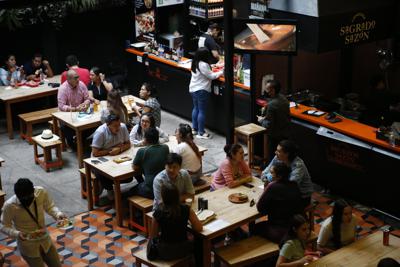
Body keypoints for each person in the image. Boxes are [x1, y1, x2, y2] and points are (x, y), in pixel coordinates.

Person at [0, 178, 66, 267]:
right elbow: (3, 226)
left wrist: (58, 214)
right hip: (28, 246)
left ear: (33, 191)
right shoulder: (9, 206)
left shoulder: (40, 192)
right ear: (17, 195)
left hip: (45, 240)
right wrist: (17, 234)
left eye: (29, 197)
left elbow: (50, 207)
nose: (27, 201)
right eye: (24, 199)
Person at [148, 183, 202, 261]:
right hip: (184, 250)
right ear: (178, 195)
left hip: (165, 252)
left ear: (163, 197)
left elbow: (153, 236)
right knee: (198, 240)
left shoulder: (158, 213)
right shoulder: (186, 209)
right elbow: (199, 228)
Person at [251, 162, 302, 243]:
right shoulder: (294, 184)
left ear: (279, 176)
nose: (270, 175)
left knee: (253, 226)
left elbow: (260, 208)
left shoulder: (272, 186)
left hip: (279, 230)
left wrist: (264, 192)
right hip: (294, 225)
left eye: (272, 173)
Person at [261, 140, 313, 209]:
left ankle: (299, 219)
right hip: (284, 192)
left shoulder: (298, 165)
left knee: (272, 205)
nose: (275, 152)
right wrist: (269, 177)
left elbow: (289, 187)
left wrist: (270, 178)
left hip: (302, 197)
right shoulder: (277, 158)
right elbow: (264, 173)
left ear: (287, 154)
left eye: (279, 151)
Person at [91, 114, 131, 200]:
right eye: (115, 126)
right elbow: (95, 153)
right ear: (108, 125)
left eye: (119, 125)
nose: (118, 128)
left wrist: (120, 149)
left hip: (117, 156)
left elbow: (128, 144)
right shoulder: (100, 132)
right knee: (102, 173)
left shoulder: (123, 127)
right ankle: (109, 189)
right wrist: (110, 151)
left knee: (129, 176)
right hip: (100, 157)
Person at [189, 47, 224, 139]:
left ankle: (194, 129)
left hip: (193, 89)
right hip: (201, 90)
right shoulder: (204, 64)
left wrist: (212, 67)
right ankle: (201, 133)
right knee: (202, 111)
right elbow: (212, 76)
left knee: (196, 108)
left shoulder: (195, 62)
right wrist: (221, 72)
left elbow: (205, 71)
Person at [257, 80, 290, 162]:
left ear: (273, 90)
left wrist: (261, 121)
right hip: (285, 132)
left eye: (267, 89)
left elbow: (268, 125)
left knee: (272, 157)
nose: (265, 91)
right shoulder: (284, 99)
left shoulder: (272, 105)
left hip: (274, 135)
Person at [131, 127, 169, 199]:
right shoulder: (165, 147)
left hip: (152, 189)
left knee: (131, 191)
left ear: (145, 139)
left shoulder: (142, 151)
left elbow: (134, 167)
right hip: (165, 185)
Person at [57, 69, 90, 149]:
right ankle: (72, 143)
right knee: (66, 128)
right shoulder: (63, 88)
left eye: (78, 77)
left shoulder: (81, 84)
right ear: (69, 79)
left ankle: (80, 140)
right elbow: (61, 106)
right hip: (67, 114)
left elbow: (87, 98)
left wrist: (85, 103)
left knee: (93, 125)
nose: (78, 79)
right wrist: (75, 109)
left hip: (81, 113)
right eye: (75, 78)